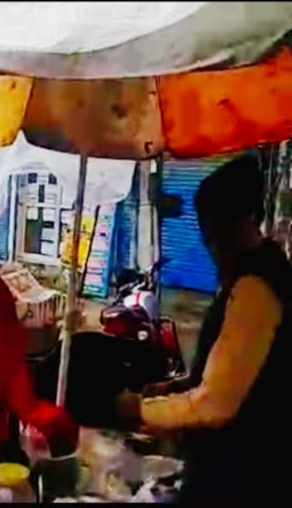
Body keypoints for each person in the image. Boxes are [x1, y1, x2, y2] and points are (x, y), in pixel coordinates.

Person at [115, 151, 291, 502]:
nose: (213, 248)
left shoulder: (256, 287)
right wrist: (177, 386)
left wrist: (134, 408)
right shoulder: (253, 273)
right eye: (209, 236)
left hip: (245, 476)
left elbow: (214, 405)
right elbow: (237, 370)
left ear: (251, 217)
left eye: (222, 235)